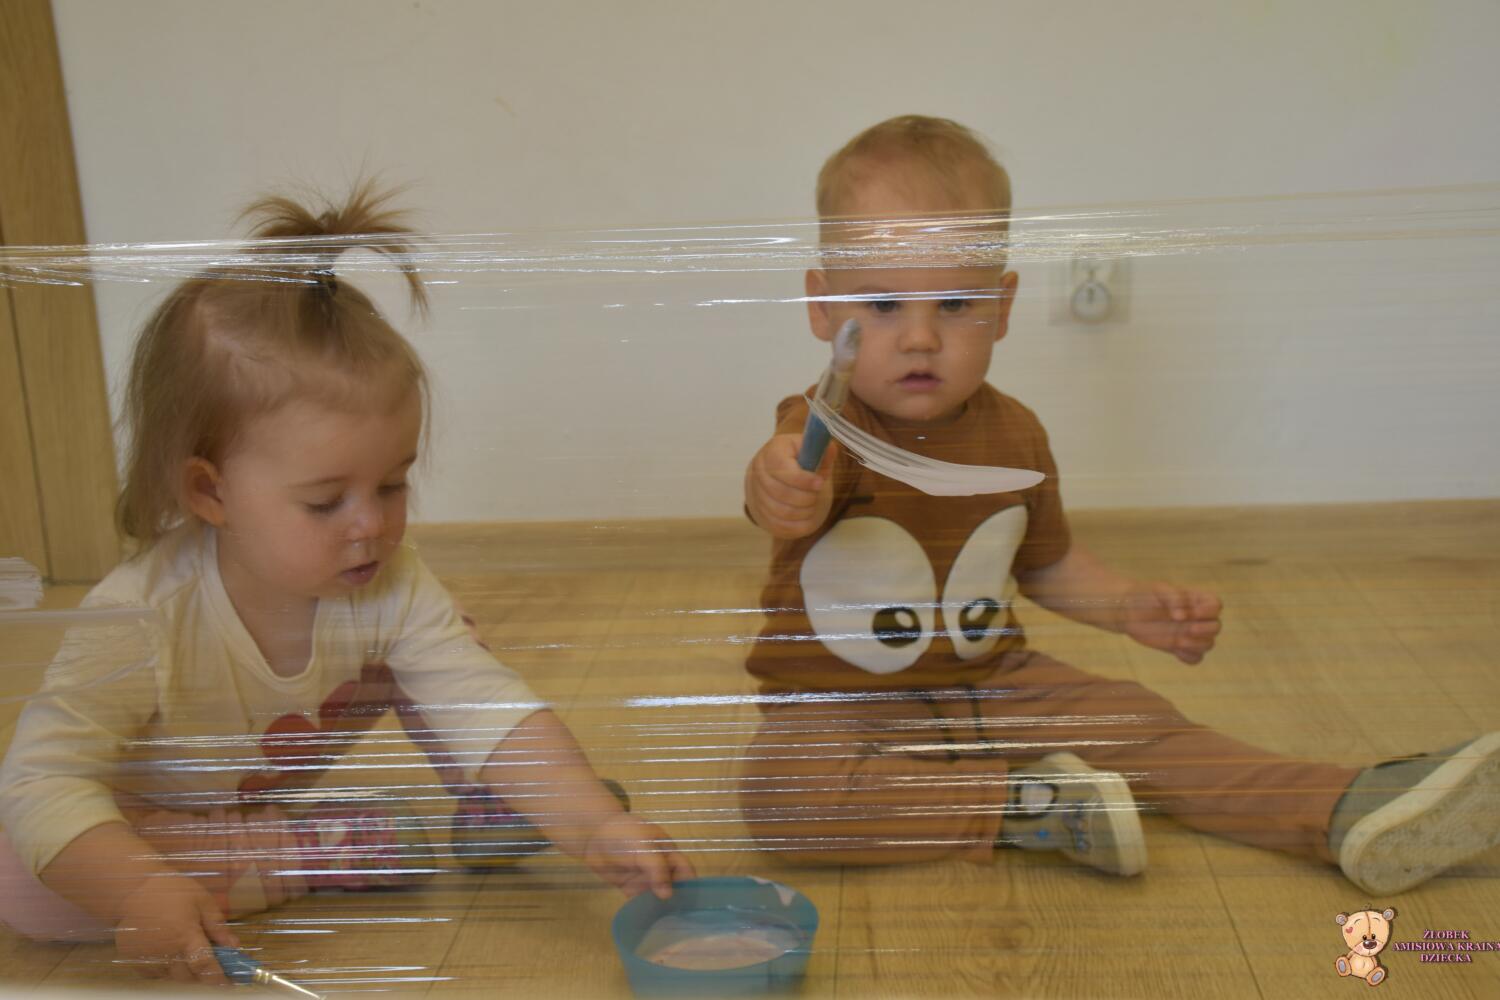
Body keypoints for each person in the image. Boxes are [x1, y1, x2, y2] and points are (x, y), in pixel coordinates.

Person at [738, 114, 1499, 895]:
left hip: (994, 687)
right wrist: (782, 486)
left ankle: (1339, 807)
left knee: (1139, 720)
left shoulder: (1016, 433)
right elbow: (787, 486)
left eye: (956, 304)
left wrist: (1128, 605)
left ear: (1003, 305)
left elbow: (1046, 564)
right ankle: (1024, 805)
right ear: (823, 308)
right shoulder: (825, 425)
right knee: (782, 795)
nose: (921, 337)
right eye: (884, 305)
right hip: (842, 710)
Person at [0, 184, 694, 985]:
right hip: (153, 820)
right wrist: (138, 889)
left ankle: (486, 801)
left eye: (393, 485)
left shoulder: (386, 581)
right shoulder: (138, 619)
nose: (371, 525)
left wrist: (595, 825)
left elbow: (485, 706)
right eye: (326, 501)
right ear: (210, 492)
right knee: (19, 880)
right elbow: (41, 778)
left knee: (450, 644)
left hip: (251, 788)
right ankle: (309, 847)